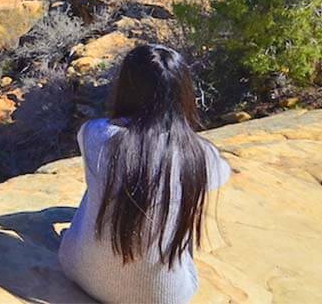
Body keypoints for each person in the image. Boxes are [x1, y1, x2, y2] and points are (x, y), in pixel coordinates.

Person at [58, 44, 231, 304]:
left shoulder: (95, 133)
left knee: (100, 181)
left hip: (82, 272)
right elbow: (223, 174)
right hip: (165, 296)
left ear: (124, 87)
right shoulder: (201, 156)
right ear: (183, 93)